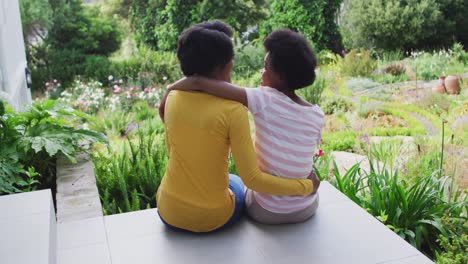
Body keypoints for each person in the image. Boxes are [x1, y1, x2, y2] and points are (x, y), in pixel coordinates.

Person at [156, 21, 319, 233]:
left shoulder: (173, 98)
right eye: (231, 65)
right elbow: (252, 179)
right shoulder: (233, 110)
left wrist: (173, 87)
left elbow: (176, 149)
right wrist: (307, 186)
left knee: (231, 180)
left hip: (168, 210)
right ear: (223, 68)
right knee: (238, 183)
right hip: (214, 217)